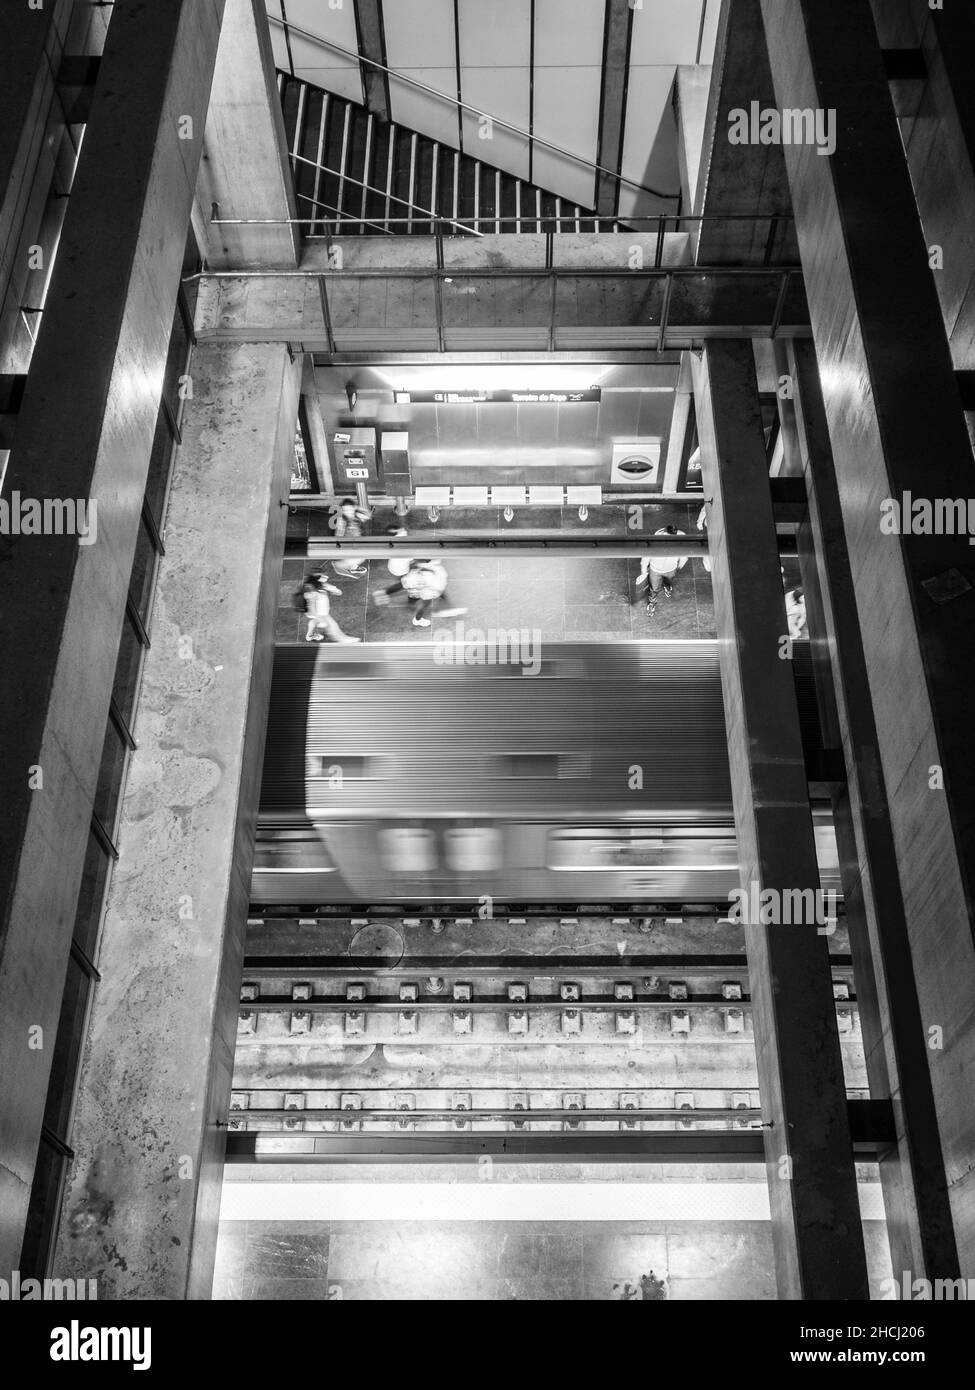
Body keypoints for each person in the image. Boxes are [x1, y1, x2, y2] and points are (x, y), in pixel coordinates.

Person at [637, 524, 690, 616]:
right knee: (654, 588)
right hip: (656, 570)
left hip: (669, 569)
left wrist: (678, 567)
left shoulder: (679, 541)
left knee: (666, 582)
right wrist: (643, 572)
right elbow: (645, 559)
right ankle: (652, 603)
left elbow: (684, 557)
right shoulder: (654, 543)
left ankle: (667, 588)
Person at [302, 572, 361, 643]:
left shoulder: (322, 586)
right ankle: (343, 639)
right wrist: (319, 618)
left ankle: (310, 635)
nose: (325, 577)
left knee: (315, 621)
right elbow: (312, 607)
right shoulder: (312, 593)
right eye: (322, 577)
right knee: (332, 625)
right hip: (319, 612)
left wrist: (334, 591)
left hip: (319, 611)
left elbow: (339, 592)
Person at [331, 498, 370, 578]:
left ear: (354, 508)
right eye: (345, 510)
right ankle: (351, 567)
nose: (347, 512)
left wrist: (358, 509)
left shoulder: (357, 515)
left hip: (357, 539)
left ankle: (353, 567)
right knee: (358, 558)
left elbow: (368, 515)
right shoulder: (342, 520)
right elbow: (338, 536)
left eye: (349, 509)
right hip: (349, 543)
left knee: (359, 557)